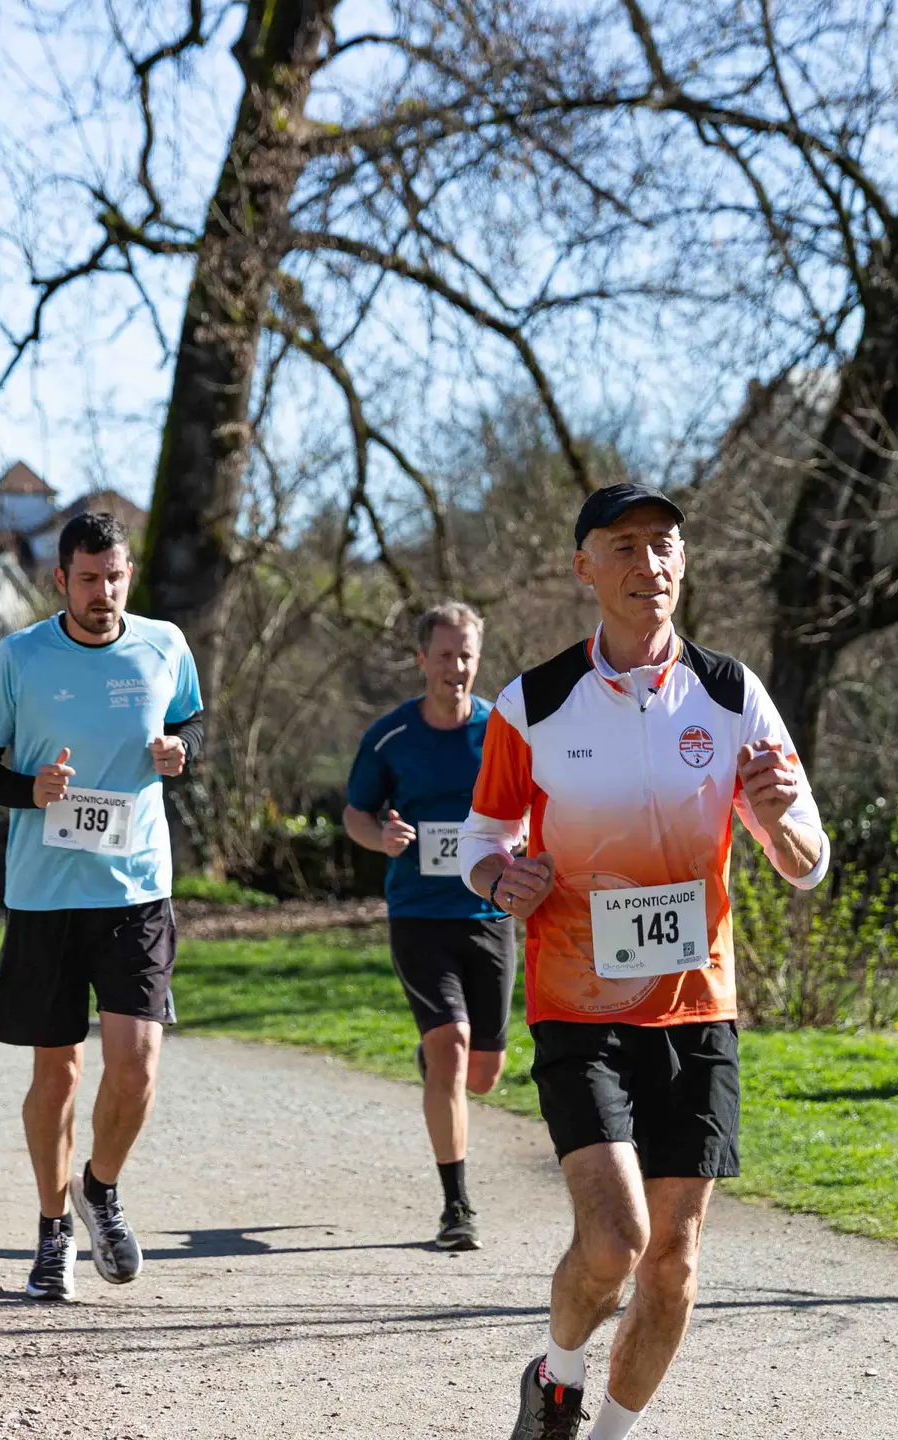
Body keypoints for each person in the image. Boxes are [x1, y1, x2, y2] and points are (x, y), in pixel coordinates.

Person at [457, 482, 830, 1440]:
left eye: (663, 545)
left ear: (683, 565)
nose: (647, 565)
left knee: (675, 1261)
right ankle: (558, 1373)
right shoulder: (531, 702)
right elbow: (481, 840)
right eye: (622, 547)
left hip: (699, 1010)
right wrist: (505, 881)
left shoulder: (733, 694)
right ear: (584, 567)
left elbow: (807, 865)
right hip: (579, 1007)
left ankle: (611, 1432)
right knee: (616, 1242)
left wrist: (783, 817)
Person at [0, 511, 204, 1303]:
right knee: (57, 1073)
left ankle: (101, 1186)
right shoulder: (20, 657)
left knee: (137, 1061)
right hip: (46, 895)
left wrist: (178, 751)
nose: (103, 593)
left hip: (136, 888)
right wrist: (28, 790)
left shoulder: (164, 644)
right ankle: (52, 1229)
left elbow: (187, 718)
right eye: (89, 578)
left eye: (116, 577)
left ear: (130, 575)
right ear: (60, 580)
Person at [342, 602, 517, 1252]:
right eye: (444, 656)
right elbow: (356, 814)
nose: (457, 668)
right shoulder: (391, 738)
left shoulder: (503, 727)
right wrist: (381, 837)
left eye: (466, 655)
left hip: (489, 914)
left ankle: (436, 1056)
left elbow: (536, 799)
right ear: (422, 660)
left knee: (483, 1073)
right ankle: (457, 1207)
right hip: (418, 914)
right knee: (452, 1046)